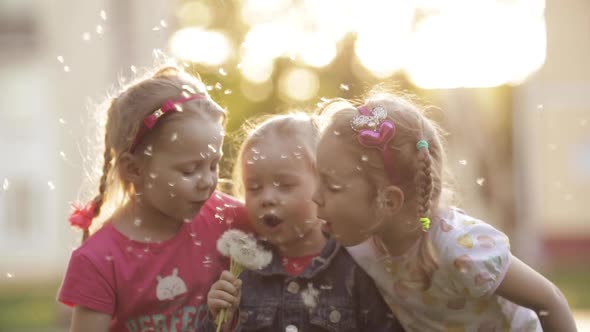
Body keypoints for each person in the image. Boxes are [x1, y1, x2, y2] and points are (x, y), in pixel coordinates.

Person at [312, 92, 577, 331]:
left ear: (389, 201)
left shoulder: (459, 248)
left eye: (332, 186)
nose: (315, 196)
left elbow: (550, 301)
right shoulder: (362, 243)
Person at [58, 66, 248, 332]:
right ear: (134, 169)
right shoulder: (100, 260)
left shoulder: (230, 219)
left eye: (214, 165)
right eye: (189, 170)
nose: (207, 181)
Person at [206, 113, 404, 331]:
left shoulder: (356, 266)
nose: (267, 198)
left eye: (285, 185)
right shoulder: (242, 270)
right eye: (254, 188)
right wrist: (221, 319)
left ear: (324, 184)